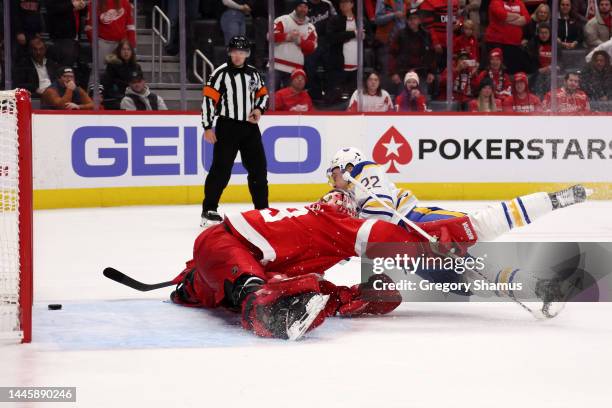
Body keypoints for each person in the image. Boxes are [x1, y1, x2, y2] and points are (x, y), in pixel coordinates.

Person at [169, 189, 479, 340]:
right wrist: (429, 247)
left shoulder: (312, 231)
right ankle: (266, 313)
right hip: (223, 243)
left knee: (298, 283)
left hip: (230, 259)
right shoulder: (332, 220)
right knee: (254, 285)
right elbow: (378, 235)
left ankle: (346, 298)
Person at [326, 147, 590, 244]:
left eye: (335, 171)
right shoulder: (356, 186)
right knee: (461, 275)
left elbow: (381, 214)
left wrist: (354, 223)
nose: (332, 179)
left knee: (483, 225)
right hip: (413, 237)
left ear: (349, 165)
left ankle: (555, 199)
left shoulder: (364, 171)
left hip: (420, 223)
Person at [201, 36, 270, 228]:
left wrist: (258, 109)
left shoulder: (254, 74)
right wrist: (207, 126)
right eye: (235, 52)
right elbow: (208, 101)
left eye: (242, 52)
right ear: (229, 53)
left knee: (259, 170)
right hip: (227, 127)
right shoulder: (219, 74)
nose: (238, 56)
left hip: (250, 128)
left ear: (247, 54)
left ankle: (262, 211)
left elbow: (263, 95)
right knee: (220, 170)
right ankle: (209, 209)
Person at [388, 9, 436, 97]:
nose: (412, 21)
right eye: (410, 19)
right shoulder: (400, 35)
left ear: (419, 20)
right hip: (403, 74)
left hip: (422, 74)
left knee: (421, 101)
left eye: (415, 18)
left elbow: (431, 54)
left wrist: (431, 72)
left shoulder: (426, 35)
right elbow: (392, 54)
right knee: (402, 102)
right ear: (407, 20)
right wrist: (393, 73)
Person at [271, 0, 318, 89]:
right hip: (276, 66)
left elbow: (312, 47)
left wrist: (300, 41)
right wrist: (288, 36)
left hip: (295, 70)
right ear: (295, 7)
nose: (303, 9)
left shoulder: (310, 27)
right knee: (268, 97)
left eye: (305, 7)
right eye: (300, 6)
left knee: (290, 100)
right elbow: (270, 36)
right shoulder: (282, 20)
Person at [85, 0, 136, 74]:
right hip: (102, 43)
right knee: (100, 72)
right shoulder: (94, 3)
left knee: (123, 71)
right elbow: (89, 26)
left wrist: (131, 44)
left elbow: (130, 25)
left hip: (121, 44)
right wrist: (96, 43)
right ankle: (94, 85)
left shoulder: (125, 2)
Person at [484, 0, 531, 74]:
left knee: (512, 72)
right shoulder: (496, 1)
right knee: (495, 70)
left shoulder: (519, 2)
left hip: (514, 44)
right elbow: (502, 15)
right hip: (496, 42)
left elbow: (527, 18)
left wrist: (507, 20)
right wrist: (517, 16)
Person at [326, 0, 359, 103]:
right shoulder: (335, 20)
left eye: (346, 2)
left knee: (354, 100)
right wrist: (352, 34)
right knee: (334, 98)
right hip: (338, 66)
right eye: (341, 2)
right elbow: (330, 38)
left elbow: (370, 37)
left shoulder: (360, 20)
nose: (343, 4)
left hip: (356, 67)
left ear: (352, 4)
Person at [305, 0, 337, 101]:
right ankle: (314, 94)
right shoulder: (304, 4)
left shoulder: (327, 4)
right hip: (310, 42)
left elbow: (335, 18)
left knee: (330, 69)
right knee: (310, 70)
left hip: (325, 41)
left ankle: (330, 95)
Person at [418, 0, 461, 69]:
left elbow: (458, 16)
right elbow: (427, 26)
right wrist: (435, 42)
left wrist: (459, 22)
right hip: (436, 46)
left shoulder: (455, 1)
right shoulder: (428, 2)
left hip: (451, 43)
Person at [46, 0, 87, 68]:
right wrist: (72, 4)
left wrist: (83, 6)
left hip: (75, 36)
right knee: (64, 68)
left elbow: (82, 13)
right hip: (62, 36)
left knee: (70, 66)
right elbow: (52, 8)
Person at [103, 40, 142, 110]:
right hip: (116, 98)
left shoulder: (137, 67)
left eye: (128, 49)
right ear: (119, 51)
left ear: (132, 52)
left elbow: (141, 85)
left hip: (133, 97)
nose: (126, 52)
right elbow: (108, 85)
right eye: (123, 49)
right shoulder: (112, 65)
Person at [527, 23, 555, 97]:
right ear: (538, 33)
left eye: (546, 33)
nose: (544, 35)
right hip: (537, 71)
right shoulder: (533, 44)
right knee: (539, 76)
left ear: (550, 34)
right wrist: (538, 70)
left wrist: (556, 66)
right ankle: (538, 97)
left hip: (552, 71)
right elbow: (529, 61)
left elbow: (561, 60)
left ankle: (550, 97)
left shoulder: (555, 44)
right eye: (541, 33)